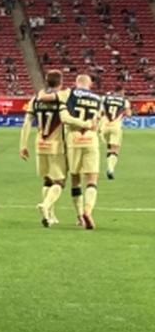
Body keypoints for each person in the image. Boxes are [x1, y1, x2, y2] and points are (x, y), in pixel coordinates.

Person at [19, 71, 68, 228]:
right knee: (59, 181)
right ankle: (46, 205)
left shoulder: (35, 99)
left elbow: (27, 122)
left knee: (47, 179)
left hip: (40, 144)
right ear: (60, 82)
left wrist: (23, 145)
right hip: (56, 145)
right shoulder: (62, 98)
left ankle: (51, 215)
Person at [59, 74, 103, 229]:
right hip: (91, 139)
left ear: (76, 83)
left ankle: (79, 217)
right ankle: (88, 210)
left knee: (75, 179)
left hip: (73, 139)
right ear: (90, 84)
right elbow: (97, 123)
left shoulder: (69, 94)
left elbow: (64, 116)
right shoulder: (98, 99)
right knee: (92, 179)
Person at [100, 86, 131, 180]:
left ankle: (109, 162)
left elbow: (100, 111)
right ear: (121, 92)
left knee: (109, 147)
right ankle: (110, 169)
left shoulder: (104, 98)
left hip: (104, 126)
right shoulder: (124, 101)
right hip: (116, 126)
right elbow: (129, 114)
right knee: (115, 149)